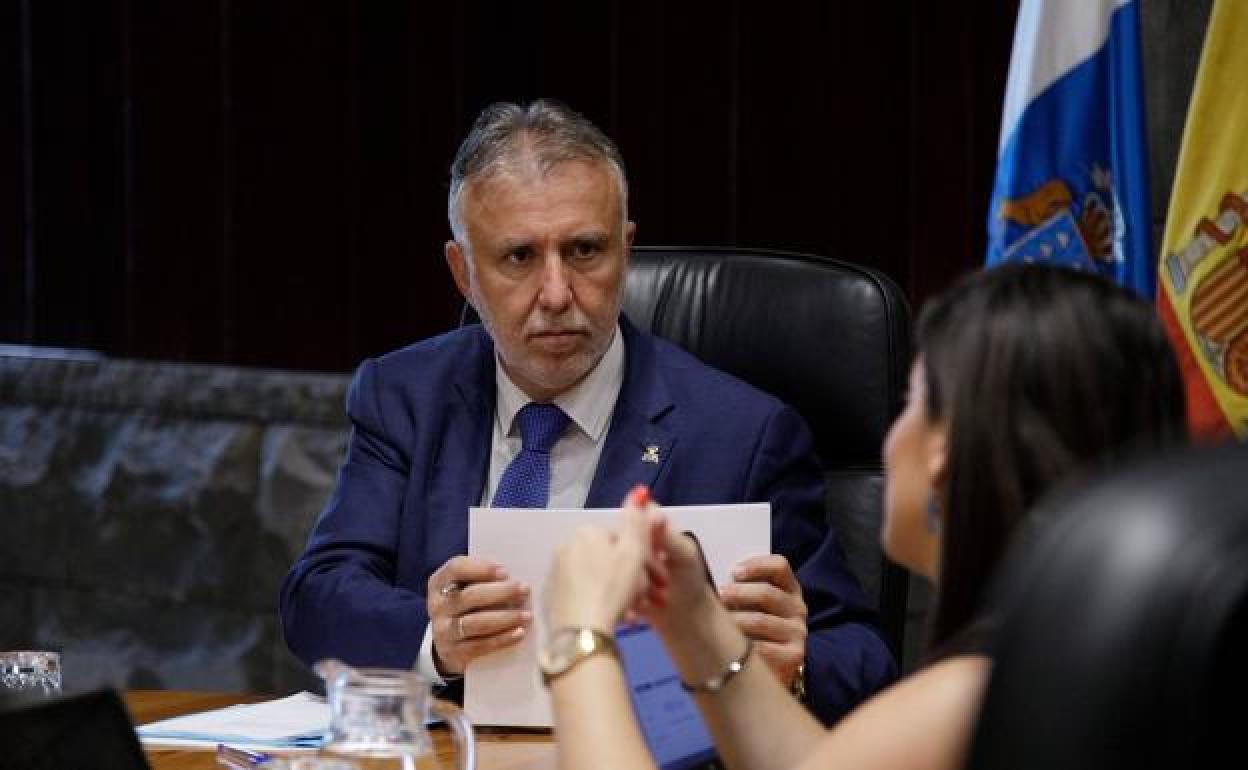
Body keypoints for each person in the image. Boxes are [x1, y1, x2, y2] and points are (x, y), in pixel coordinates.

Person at [278, 98, 895, 724]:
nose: (556, 294)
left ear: (625, 250)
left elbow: (865, 656)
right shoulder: (405, 396)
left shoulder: (742, 435)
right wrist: (435, 640)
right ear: (463, 273)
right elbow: (317, 595)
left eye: (584, 251)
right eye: (520, 257)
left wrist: (794, 667)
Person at [542, 262, 1188, 770]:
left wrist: (580, 633)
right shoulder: (1082, 669)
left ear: (942, 456)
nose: (892, 434)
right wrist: (697, 622)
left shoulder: (968, 699)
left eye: (912, 401)